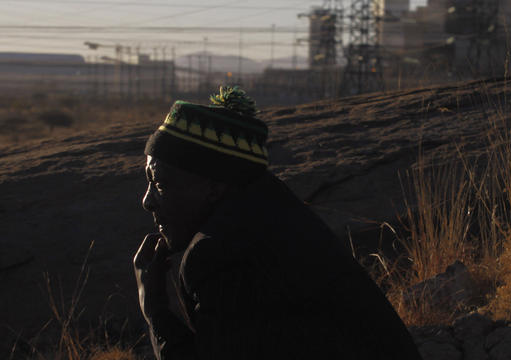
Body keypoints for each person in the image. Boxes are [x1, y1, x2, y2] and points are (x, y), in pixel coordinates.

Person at [134, 86, 422, 359]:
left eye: (159, 183)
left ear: (214, 186)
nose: (147, 201)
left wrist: (154, 309)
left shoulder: (217, 254)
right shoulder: (270, 213)